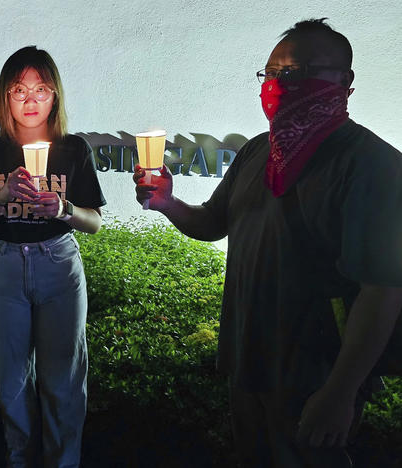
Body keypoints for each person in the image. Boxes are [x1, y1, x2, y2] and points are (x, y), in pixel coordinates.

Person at [134, 18, 402, 467]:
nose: (278, 86)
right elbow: (210, 223)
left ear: (345, 82)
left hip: (314, 372)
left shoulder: (373, 166)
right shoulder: (260, 150)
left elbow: (383, 291)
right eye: (270, 74)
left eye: (295, 73)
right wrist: (167, 202)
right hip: (248, 360)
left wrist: (340, 391)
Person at [0, 46, 106, 467]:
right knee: (12, 381)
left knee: (63, 378)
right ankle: (20, 457)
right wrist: (0, 197)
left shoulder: (73, 150)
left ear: (55, 95)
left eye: (41, 89)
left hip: (57, 263)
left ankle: (64, 461)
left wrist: (63, 209)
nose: (30, 100)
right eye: (19, 90)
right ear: (6, 97)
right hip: (1, 265)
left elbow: (94, 222)